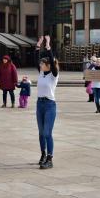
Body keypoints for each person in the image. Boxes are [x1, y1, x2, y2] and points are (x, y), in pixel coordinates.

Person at [35, 35, 59, 170]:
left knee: (47, 133)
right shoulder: (41, 73)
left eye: (42, 64)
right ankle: (43, 154)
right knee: (40, 132)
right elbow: (35, 59)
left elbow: (51, 60)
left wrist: (48, 44)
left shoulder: (53, 75)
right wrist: (39, 45)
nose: (40, 65)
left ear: (47, 65)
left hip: (50, 105)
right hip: (40, 104)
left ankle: (50, 158)